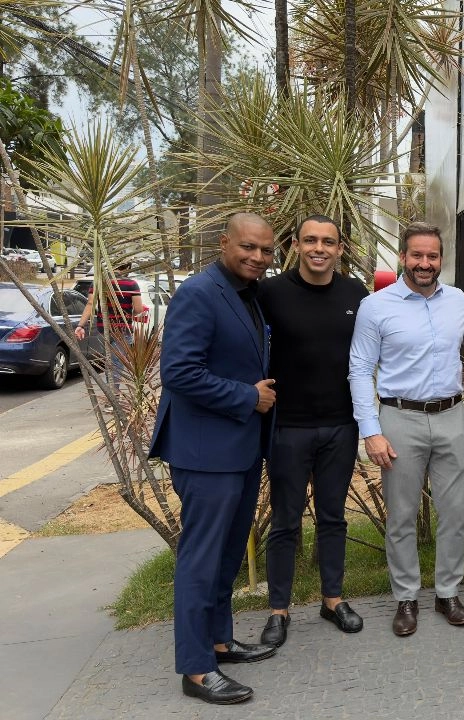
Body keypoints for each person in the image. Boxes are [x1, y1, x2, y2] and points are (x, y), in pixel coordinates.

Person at [149, 213, 279, 705]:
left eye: (266, 250)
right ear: (224, 242)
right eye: (248, 247)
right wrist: (248, 397)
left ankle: (220, 641)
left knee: (226, 554)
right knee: (200, 560)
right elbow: (179, 372)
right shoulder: (199, 293)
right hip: (206, 453)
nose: (257, 257)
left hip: (239, 449)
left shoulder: (245, 294)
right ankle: (196, 669)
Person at [348, 223, 464, 635]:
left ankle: (447, 592)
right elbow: (360, 369)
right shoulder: (375, 306)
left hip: (452, 415)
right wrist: (371, 431)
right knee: (401, 515)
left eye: (432, 256)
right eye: (416, 255)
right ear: (403, 257)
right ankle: (406, 597)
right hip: (399, 419)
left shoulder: (459, 303)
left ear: (441, 259)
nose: (424, 263)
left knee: (454, 512)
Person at [257, 215, 369, 647]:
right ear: (296, 246)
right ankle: (278, 610)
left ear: (340, 249)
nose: (319, 248)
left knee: (333, 517)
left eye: (327, 242)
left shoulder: (355, 293)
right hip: (288, 426)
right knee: (285, 520)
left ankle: (332, 600)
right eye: (310, 241)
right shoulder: (270, 293)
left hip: (341, 425)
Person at [74, 261, 144, 385]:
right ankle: (114, 393)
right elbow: (138, 310)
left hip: (103, 329)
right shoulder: (131, 284)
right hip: (123, 329)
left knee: (108, 362)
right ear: (127, 268)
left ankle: (111, 390)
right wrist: (129, 315)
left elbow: (90, 304)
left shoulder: (99, 282)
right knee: (117, 363)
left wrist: (80, 325)